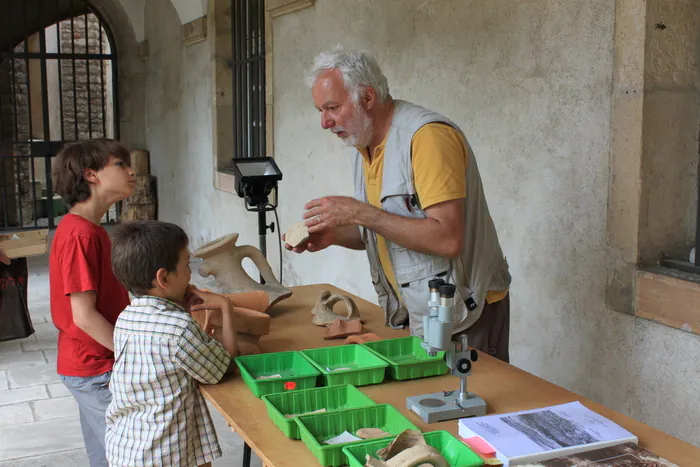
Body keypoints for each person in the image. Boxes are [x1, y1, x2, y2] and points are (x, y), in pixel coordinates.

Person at [286, 47, 512, 362]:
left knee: (472, 406)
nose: (325, 122)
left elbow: (447, 238)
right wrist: (336, 235)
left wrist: (359, 212)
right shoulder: (366, 144)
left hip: (466, 312)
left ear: (366, 98)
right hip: (425, 312)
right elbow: (392, 227)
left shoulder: (426, 139)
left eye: (332, 108)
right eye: (320, 111)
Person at [106, 220, 237, 467]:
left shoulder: (126, 317)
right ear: (163, 277)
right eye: (187, 265)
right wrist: (225, 307)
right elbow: (225, 366)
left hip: (127, 447)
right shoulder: (178, 329)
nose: (190, 273)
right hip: (164, 454)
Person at [49, 139, 135, 466]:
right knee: (131, 454)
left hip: (95, 364)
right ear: (91, 175)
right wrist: (134, 355)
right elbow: (83, 317)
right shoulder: (79, 234)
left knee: (107, 456)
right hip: (95, 367)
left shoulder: (91, 230)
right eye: (120, 165)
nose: (131, 172)